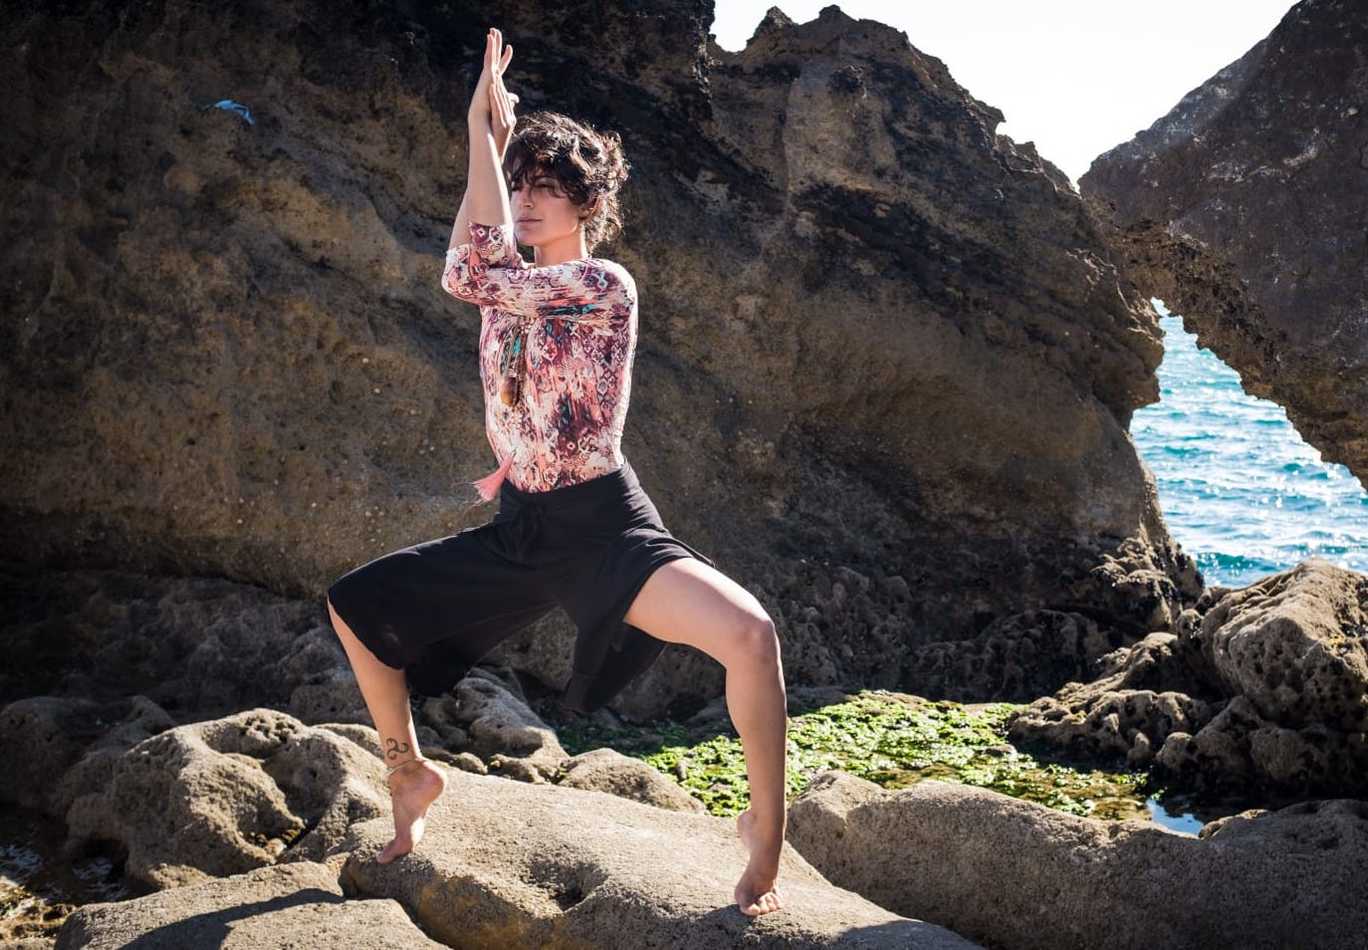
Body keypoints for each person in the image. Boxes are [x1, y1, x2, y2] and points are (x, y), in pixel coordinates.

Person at [325, 27, 786, 917]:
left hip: (603, 530)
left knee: (750, 634)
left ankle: (765, 833)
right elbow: (471, 266)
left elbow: (469, 274)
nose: (527, 202)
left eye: (547, 188)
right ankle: (408, 773)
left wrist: (485, 138)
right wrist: (484, 142)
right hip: (522, 529)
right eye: (520, 185)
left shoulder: (603, 285)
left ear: (587, 203)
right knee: (355, 606)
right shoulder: (507, 290)